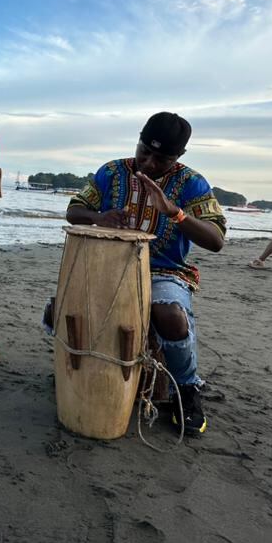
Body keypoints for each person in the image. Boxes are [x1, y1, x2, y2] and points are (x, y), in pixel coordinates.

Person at [64, 112, 226, 435]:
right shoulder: (111, 172)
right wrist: (99, 218)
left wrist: (176, 213)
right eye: (144, 152)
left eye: (161, 159)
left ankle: (187, 389)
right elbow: (73, 210)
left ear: (178, 158)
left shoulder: (192, 183)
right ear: (138, 140)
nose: (149, 163)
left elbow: (216, 239)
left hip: (165, 270)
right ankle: (75, 370)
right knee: (64, 306)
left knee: (169, 315)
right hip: (107, 264)